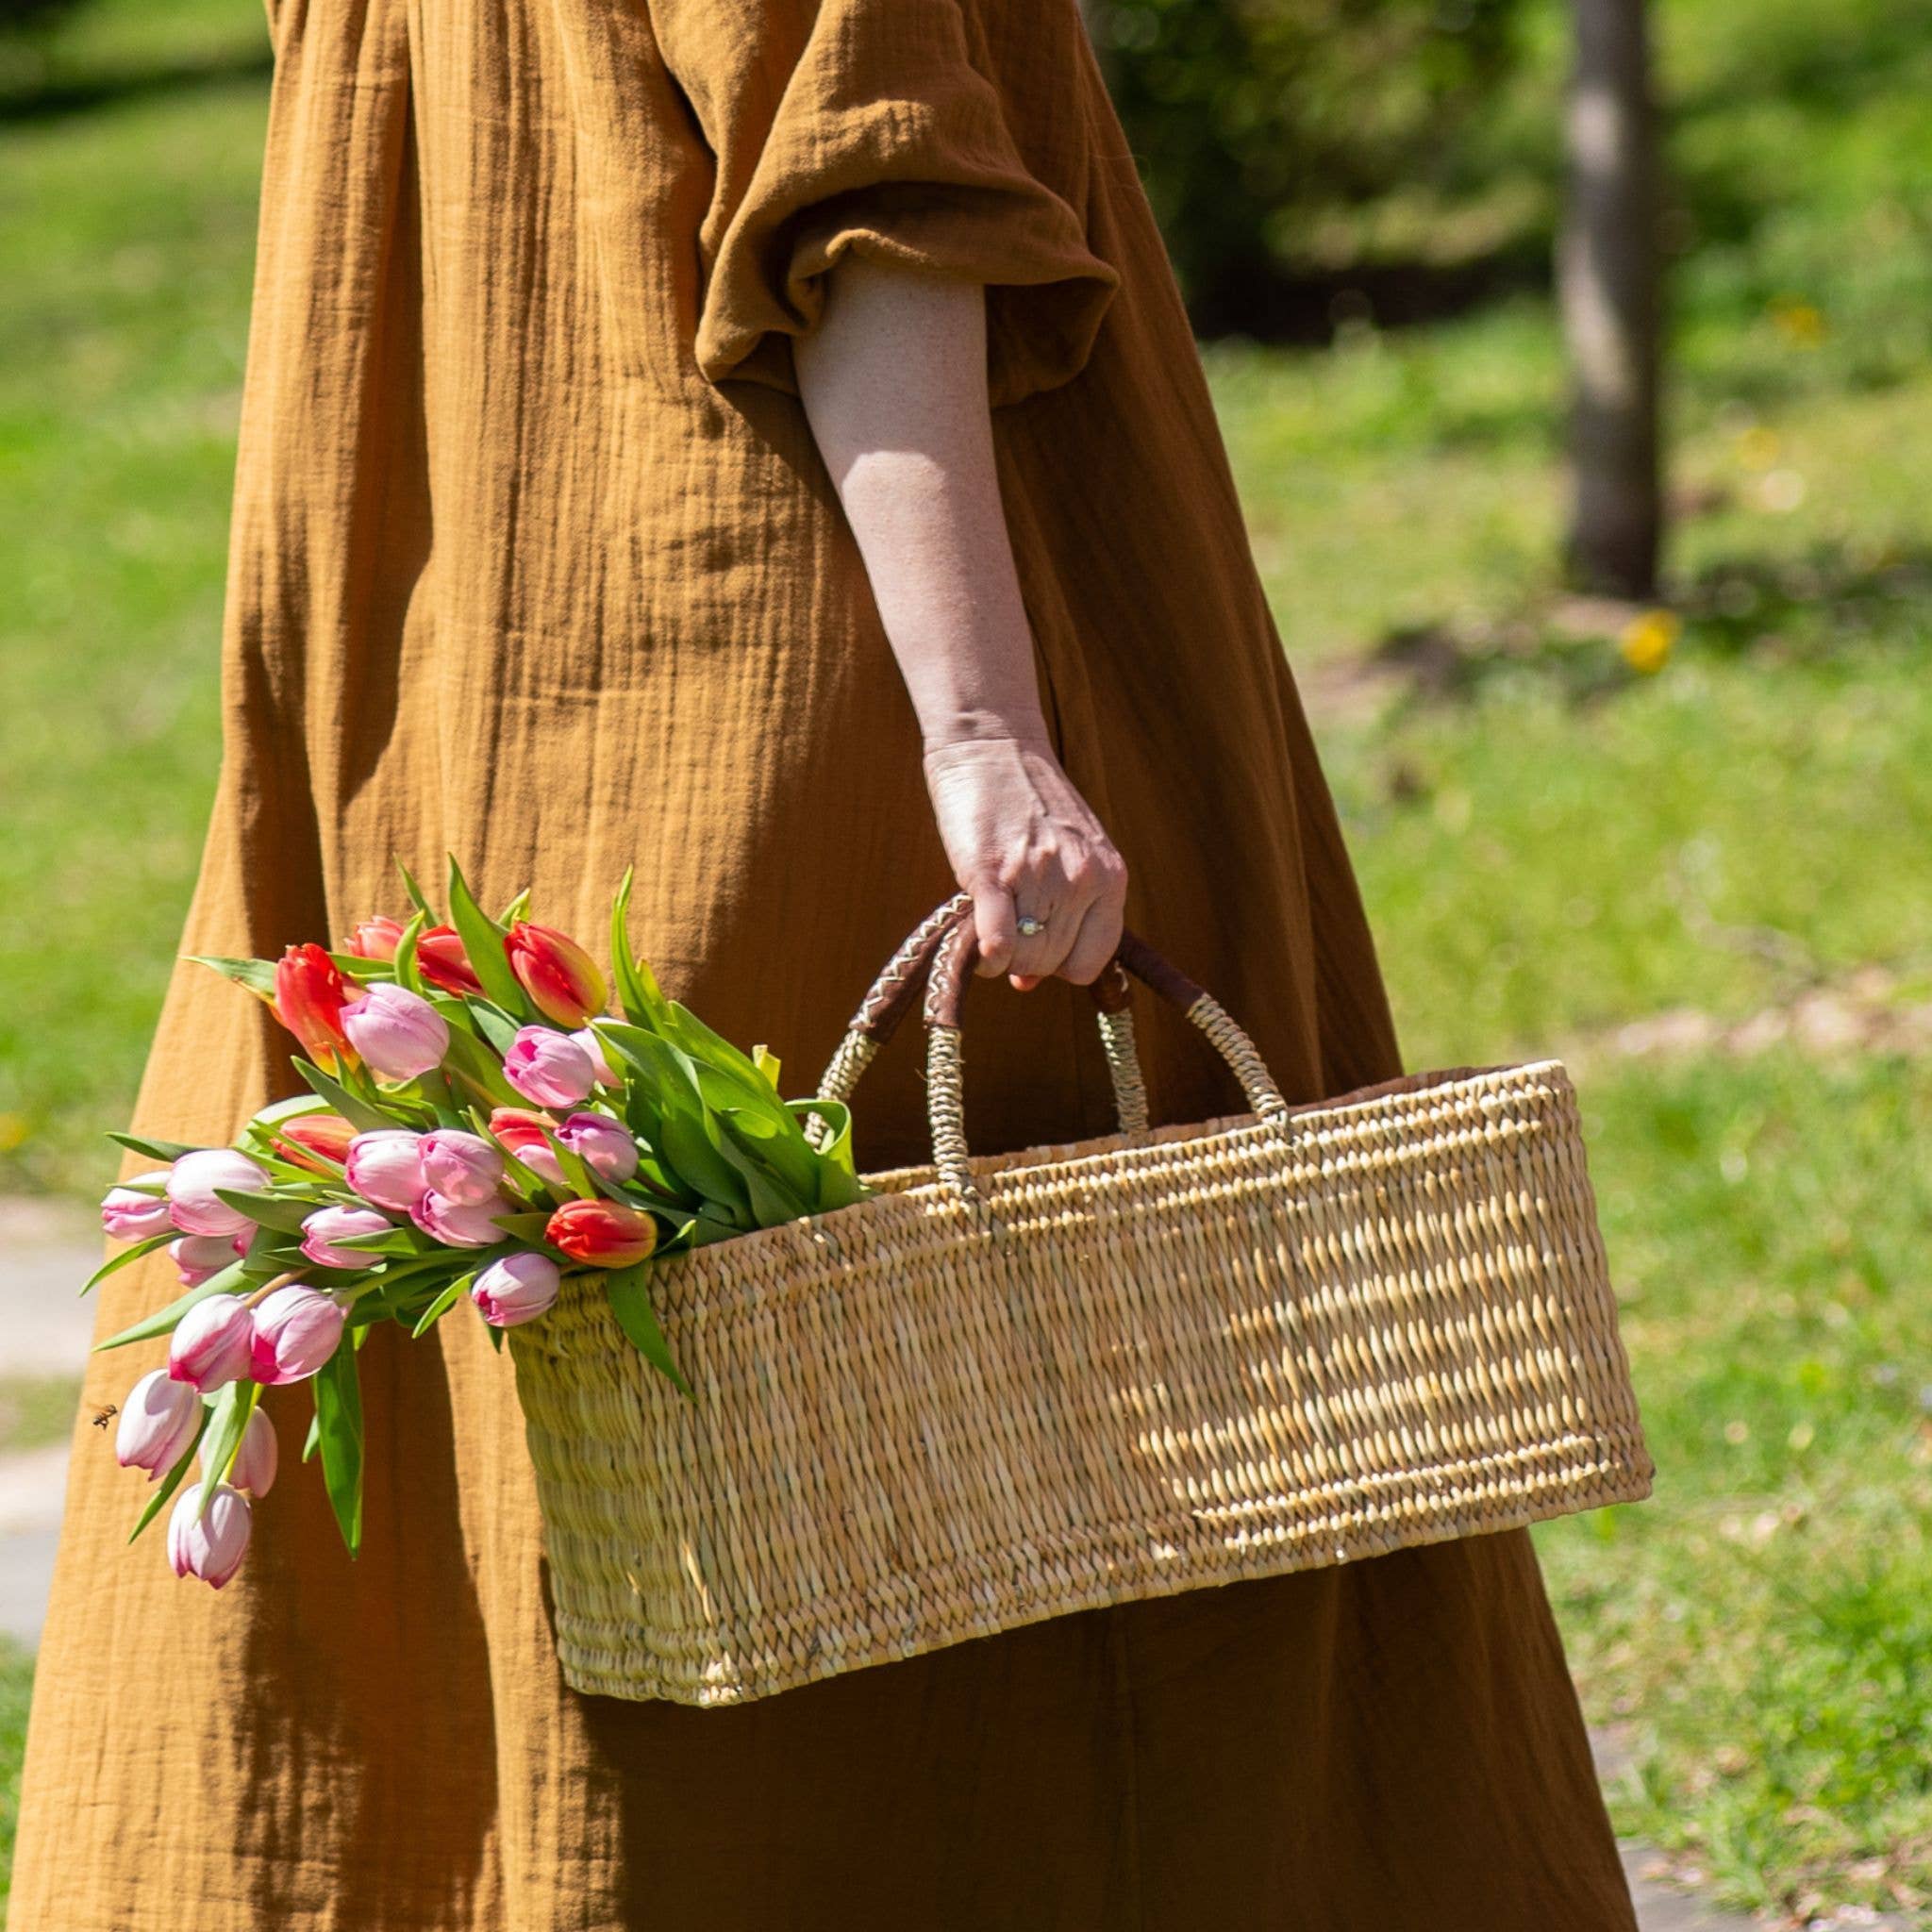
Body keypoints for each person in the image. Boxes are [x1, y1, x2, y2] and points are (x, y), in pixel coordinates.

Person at [11, 3, 1640, 1926]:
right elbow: (865, 192)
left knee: (601, 1473)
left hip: (440, 689)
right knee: (1001, 1455)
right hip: (783, 666)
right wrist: (981, 728)